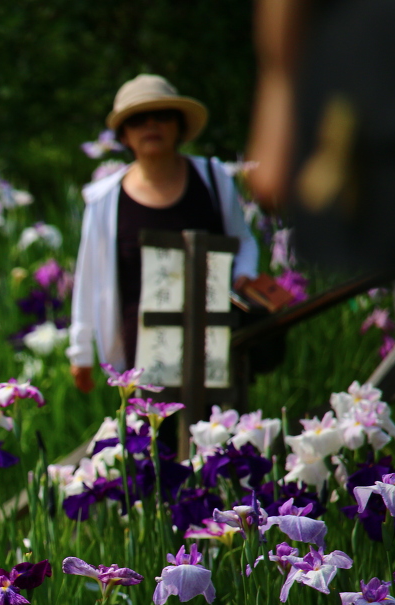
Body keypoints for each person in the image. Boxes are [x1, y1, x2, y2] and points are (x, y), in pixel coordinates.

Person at [68, 74, 260, 393]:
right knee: (155, 436)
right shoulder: (105, 200)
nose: (151, 126)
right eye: (139, 120)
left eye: (163, 116)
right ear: (125, 135)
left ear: (180, 126)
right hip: (141, 349)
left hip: (215, 336)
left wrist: (244, 273)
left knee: (217, 433)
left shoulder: (214, 179)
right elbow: (89, 279)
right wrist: (81, 353)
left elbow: (244, 241)